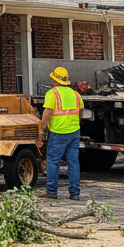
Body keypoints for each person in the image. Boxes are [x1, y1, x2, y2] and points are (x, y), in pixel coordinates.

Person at [39, 66, 83, 201]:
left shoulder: (52, 93)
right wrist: (76, 124)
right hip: (74, 131)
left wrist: (41, 129)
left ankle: (51, 191)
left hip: (58, 132)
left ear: (54, 79)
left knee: (53, 161)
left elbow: (47, 113)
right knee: (73, 162)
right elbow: (80, 112)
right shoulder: (75, 94)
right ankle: (75, 193)